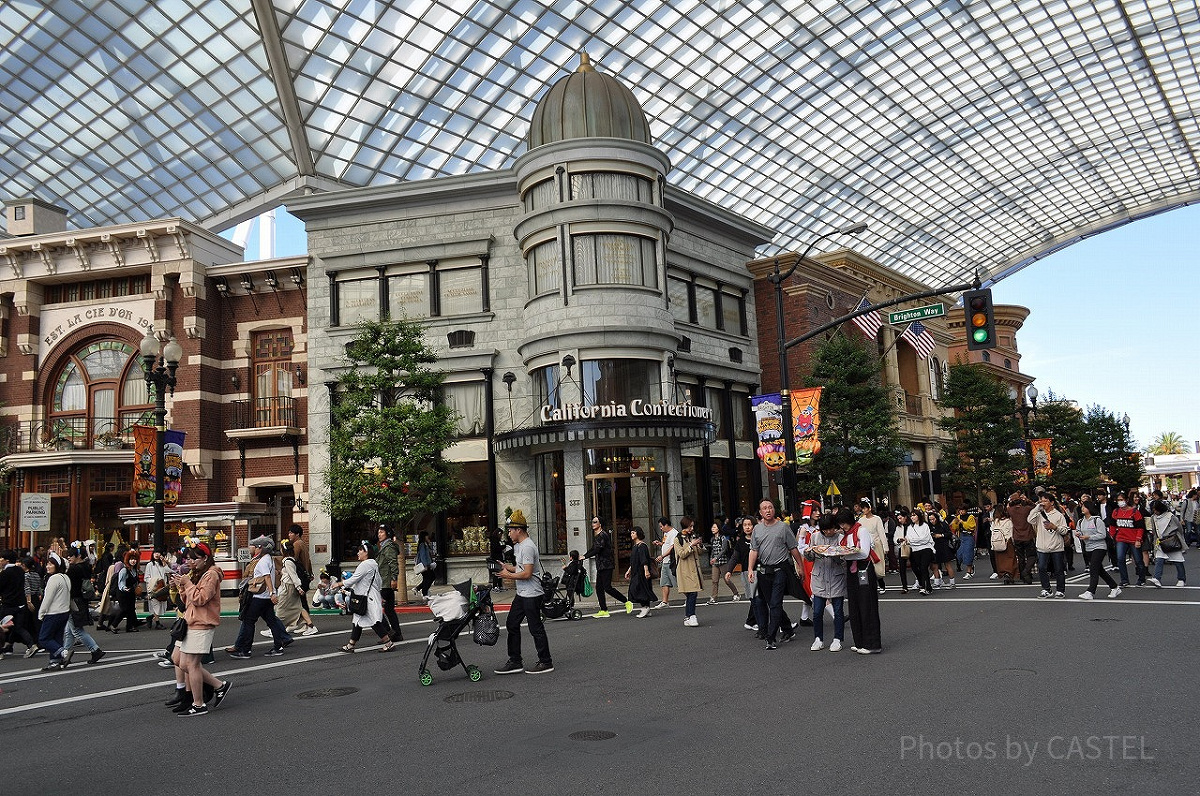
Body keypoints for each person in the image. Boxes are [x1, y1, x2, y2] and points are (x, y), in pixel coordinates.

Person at [168, 542, 231, 716]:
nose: (191, 562)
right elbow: (187, 601)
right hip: (191, 621)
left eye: (194, 559)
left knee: (191, 664)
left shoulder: (211, 575)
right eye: (188, 558)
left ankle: (198, 703)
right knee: (180, 661)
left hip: (202, 622)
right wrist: (180, 586)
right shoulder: (198, 574)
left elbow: (200, 598)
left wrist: (186, 583)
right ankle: (219, 686)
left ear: (205, 558)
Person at [494, 512, 553, 674]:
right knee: (512, 624)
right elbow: (521, 568)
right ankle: (515, 661)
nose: (508, 533)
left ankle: (546, 661)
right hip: (522, 594)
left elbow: (527, 574)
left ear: (519, 530)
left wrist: (508, 575)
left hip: (532, 594)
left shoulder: (527, 546)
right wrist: (506, 567)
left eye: (510, 530)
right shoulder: (519, 546)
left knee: (535, 628)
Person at [747, 499, 804, 651]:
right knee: (771, 603)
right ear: (760, 512)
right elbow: (753, 551)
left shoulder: (783, 527)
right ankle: (787, 628)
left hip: (780, 570)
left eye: (770, 507)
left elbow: (793, 549)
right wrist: (750, 569)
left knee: (775, 603)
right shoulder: (757, 530)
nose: (768, 510)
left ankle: (770, 638)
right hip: (764, 571)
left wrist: (800, 566)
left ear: (774, 510)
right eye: (765, 508)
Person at [227, 535, 292, 659]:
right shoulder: (269, 559)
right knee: (272, 621)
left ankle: (246, 650)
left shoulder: (262, 561)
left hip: (259, 597)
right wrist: (272, 594)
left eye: (254, 547)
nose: (252, 549)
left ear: (259, 548)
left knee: (249, 621)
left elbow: (267, 577)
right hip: (266, 597)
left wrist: (272, 593)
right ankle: (278, 647)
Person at [838, 507, 883, 654]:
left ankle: (872, 644)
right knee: (854, 605)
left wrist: (846, 554)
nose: (842, 526)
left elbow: (864, 552)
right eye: (840, 523)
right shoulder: (845, 535)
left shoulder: (861, 530)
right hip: (852, 570)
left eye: (844, 523)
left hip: (864, 568)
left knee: (866, 605)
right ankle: (859, 642)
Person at [337, 540, 396, 653]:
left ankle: (389, 644)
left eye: (360, 550)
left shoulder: (365, 564)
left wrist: (339, 584)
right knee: (358, 621)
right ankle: (350, 645)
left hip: (367, 598)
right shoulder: (373, 564)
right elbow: (379, 581)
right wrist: (379, 594)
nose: (358, 553)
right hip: (369, 596)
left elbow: (354, 579)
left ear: (366, 552)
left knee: (373, 621)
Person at [803, 514, 847, 651]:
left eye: (831, 528)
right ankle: (818, 639)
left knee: (838, 611)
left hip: (836, 577)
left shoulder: (841, 538)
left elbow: (845, 560)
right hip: (819, 578)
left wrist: (835, 556)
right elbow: (810, 558)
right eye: (825, 529)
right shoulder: (815, 537)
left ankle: (837, 639)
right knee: (817, 612)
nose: (829, 532)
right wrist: (808, 552)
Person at [64, 543, 105, 664]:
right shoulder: (86, 566)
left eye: (71, 555)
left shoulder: (74, 569)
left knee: (76, 629)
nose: (69, 558)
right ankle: (65, 653)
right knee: (69, 629)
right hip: (82, 599)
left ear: (78, 556)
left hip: (74, 600)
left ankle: (95, 650)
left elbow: (68, 585)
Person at [582, 517, 631, 616]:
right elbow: (593, 548)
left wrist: (585, 556)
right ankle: (604, 610)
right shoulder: (598, 536)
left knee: (607, 587)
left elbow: (597, 550)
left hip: (606, 565)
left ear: (600, 524)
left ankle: (626, 602)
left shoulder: (603, 535)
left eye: (595, 522)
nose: (593, 524)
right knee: (599, 588)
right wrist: (584, 556)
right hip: (601, 565)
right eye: (592, 522)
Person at [1075, 499, 1120, 599]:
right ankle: (1114, 587)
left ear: (1090, 508)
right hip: (1088, 547)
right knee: (1100, 570)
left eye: (1084, 506)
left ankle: (1090, 591)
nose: (1082, 508)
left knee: (1094, 568)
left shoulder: (1097, 520)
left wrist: (1089, 537)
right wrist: (1079, 534)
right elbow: (1078, 530)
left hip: (1099, 547)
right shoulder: (1080, 521)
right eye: (1082, 506)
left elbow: (1102, 535)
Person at [36, 556, 73, 671]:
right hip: (64, 611)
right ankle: (54, 662)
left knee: (44, 638)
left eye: (51, 564)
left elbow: (48, 598)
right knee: (56, 638)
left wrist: (41, 613)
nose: (48, 566)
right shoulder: (65, 577)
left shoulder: (53, 579)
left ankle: (64, 653)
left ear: (57, 565)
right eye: (47, 564)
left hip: (53, 612)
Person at [1034, 493, 1070, 598]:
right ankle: (1046, 589)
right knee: (1041, 568)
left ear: (1052, 502)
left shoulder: (1058, 515)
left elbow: (1064, 530)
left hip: (1056, 546)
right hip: (1042, 545)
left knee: (1058, 569)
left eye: (1045, 501)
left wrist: (1054, 527)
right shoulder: (1038, 514)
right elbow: (1029, 520)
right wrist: (1036, 508)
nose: (1043, 503)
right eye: (1041, 501)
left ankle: (1060, 590)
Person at [1111, 489, 1148, 587]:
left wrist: (1138, 539)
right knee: (1120, 559)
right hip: (1121, 538)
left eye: (1121, 499)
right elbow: (1112, 525)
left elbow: (1140, 527)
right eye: (1118, 500)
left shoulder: (1135, 512)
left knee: (1138, 559)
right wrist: (1113, 536)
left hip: (1133, 539)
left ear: (1126, 500)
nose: (1120, 502)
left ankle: (1141, 578)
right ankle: (1124, 580)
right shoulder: (1115, 512)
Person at [672, 516, 705, 627]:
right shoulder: (678, 539)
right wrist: (691, 545)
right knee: (692, 593)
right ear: (685, 526)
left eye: (692, 526)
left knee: (692, 593)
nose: (692, 528)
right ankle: (691, 616)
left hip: (694, 570)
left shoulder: (692, 537)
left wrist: (699, 545)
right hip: (684, 571)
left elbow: (699, 552)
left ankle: (688, 616)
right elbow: (681, 554)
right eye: (690, 526)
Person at [286, 524, 318, 634]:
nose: (289, 535)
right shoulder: (303, 543)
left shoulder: (297, 544)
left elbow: (292, 559)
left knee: (299, 602)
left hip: (300, 576)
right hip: (305, 575)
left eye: (291, 533)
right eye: (289, 532)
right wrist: (310, 572)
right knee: (301, 601)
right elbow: (308, 560)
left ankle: (309, 625)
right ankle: (304, 624)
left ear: (297, 534)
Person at [1147, 499, 1187, 588]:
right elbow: (1154, 531)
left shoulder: (1171, 516)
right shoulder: (1153, 517)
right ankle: (1157, 578)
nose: (1154, 511)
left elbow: (1179, 528)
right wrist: (1154, 543)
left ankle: (1181, 579)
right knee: (1159, 559)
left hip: (1172, 540)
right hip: (1161, 541)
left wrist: (1181, 540)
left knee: (1178, 560)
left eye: (1155, 509)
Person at [375, 524, 403, 640]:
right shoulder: (383, 546)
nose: (379, 534)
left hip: (386, 582)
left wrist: (394, 579)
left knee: (376, 608)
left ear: (387, 533)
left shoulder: (389, 546)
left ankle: (388, 632)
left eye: (382, 532)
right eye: (378, 532)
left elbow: (393, 563)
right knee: (389, 609)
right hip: (384, 581)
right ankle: (397, 633)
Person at [856, 500, 888, 594]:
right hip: (865, 546)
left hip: (876, 545)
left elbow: (881, 533)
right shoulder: (861, 520)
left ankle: (882, 585)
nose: (864, 510)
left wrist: (885, 547)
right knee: (867, 567)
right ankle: (870, 586)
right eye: (862, 508)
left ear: (869, 508)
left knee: (877, 566)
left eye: (865, 507)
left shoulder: (877, 519)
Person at [902, 509, 935, 595]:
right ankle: (927, 586)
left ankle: (924, 587)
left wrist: (914, 540)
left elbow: (926, 539)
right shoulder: (909, 527)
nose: (912, 517)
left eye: (914, 515)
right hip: (915, 550)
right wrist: (916, 540)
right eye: (911, 515)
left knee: (924, 567)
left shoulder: (925, 526)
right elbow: (908, 539)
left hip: (926, 549)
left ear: (919, 516)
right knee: (920, 568)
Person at [624, 527, 655, 618]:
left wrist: (646, 571)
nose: (631, 534)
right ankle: (646, 608)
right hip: (636, 571)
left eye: (633, 533)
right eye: (631, 533)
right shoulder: (635, 546)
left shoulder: (642, 546)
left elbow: (644, 560)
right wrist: (629, 570)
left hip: (641, 572)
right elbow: (634, 561)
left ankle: (645, 607)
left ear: (638, 534)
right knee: (639, 589)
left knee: (639, 589)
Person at [707, 520, 739, 603]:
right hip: (715, 563)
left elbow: (724, 550)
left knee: (726, 579)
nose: (712, 529)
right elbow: (713, 551)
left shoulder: (723, 538)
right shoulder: (712, 539)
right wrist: (711, 559)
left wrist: (716, 558)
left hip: (723, 562)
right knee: (714, 580)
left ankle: (736, 593)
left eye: (714, 527)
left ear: (718, 528)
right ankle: (714, 597)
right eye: (712, 527)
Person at [112, 551, 144, 633]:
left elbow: (136, 581)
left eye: (135, 559)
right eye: (131, 559)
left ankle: (129, 627)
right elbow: (121, 582)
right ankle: (113, 625)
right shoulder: (124, 570)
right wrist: (124, 588)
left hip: (131, 592)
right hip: (122, 593)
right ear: (127, 560)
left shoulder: (135, 570)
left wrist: (138, 588)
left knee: (131, 609)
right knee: (124, 609)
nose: (133, 561)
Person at [1008, 494, 1036, 585]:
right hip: (1027, 535)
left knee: (1020, 557)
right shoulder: (1026, 509)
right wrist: (1027, 500)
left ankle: (1023, 576)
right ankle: (1026, 571)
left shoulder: (1011, 510)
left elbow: (1007, 506)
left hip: (1017, 537)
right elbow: (1034, 506)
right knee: (1032, 556)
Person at [653, 517, 678, 609]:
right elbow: (666, 544)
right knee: (664, 582)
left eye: (661, 526)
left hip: (671, 561)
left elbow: (672, 547)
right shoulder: (666, 534)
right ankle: (665, 601)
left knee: (677, 582)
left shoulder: (674, 533)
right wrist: (659, 543)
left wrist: (662, 556)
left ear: (666, 525)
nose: (660, 528)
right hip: (665, 561)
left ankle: (689, 597)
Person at [990, 505, 1018, 584]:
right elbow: (1010, 532)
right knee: (1010, 559)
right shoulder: (1008, 521)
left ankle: (1003, 573)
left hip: (997, 543)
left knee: (1000, 561)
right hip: (1007, 542)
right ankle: (1010, 574)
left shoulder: (995, 521)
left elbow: (992, 530)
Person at [143, 550, 171, 630]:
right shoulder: (150, 565)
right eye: (155, 553)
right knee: (156, 606)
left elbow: (170, 572)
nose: (157, 554)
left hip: (162, 588)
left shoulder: (163, 565)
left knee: (161, 605)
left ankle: (150, 617)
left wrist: (165, 563)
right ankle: (157, 623)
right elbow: (146, 578)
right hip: (153, 588)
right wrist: (155, 581)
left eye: (159, 553)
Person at [951, 506, 977, 580]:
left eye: (963, 510)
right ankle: (971, 566)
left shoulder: (970, 517)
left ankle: (969, 572)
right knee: (959, 554)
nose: (961, 512)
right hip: (961, 537)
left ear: (966, 510)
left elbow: (971, 527)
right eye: (960, 510)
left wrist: (962, 522)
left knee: (968, 553)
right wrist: (955, 522)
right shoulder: (958, 517)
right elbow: (955, 528)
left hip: (969, 536)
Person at [413, 531, 437, 599]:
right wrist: (425, 565)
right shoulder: (422, 545)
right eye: (427, 536)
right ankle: (424, 592)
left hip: (428, 565)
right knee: (429, 578)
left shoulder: (425, 544)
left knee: (430, 578)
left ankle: (418, 589)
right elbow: (423, 556)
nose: (428, 537)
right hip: (425, 566)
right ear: (424, 536)